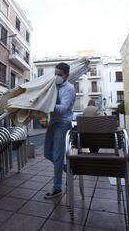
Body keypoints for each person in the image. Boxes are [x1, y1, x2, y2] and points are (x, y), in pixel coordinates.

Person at [44, 62, 76, 199]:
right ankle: (66, 168)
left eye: (59, 74)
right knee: (47, 153)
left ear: (67, 75)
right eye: (55, 73)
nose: (56, 76)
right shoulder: (53, 86)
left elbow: (63, 109)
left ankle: (57, 188)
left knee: (57, 155)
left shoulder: (69, 89)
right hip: (53, 123)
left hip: (63, 123)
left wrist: (46, 105)